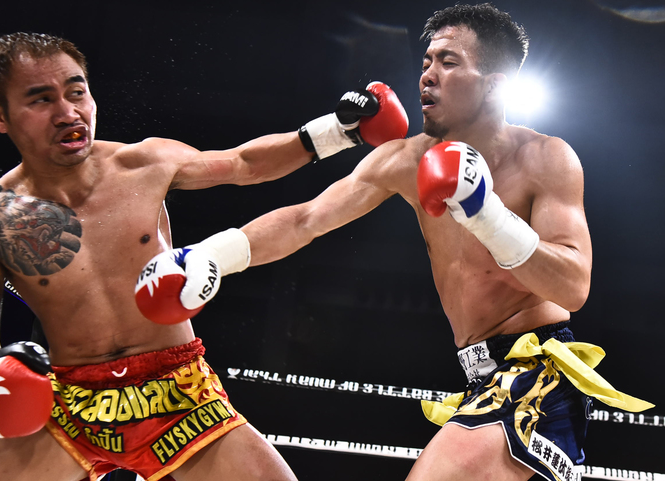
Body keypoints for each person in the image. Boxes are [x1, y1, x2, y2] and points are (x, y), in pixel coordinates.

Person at [148, 4, 654, 481]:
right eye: (427, 60)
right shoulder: (404, 160)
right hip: (478, 379)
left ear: (495, 84)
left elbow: (573, 285)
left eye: (449, 62)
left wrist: (486, 213)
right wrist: (209, 256)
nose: (427, 74)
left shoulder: (545, 158)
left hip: (537, 376)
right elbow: (305, 219)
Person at [0, 32, 408, 481]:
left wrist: (341, 129)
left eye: (76, 92)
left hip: (178, 392)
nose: (68, 112)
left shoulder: (142, 164)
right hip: (71, 402)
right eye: (41, 100)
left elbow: (244, 163)